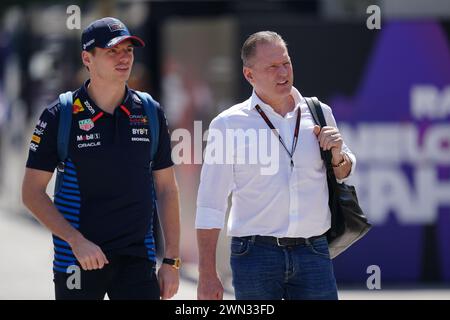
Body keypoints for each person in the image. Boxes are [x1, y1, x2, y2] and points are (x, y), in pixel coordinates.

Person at [22, 17, 181, 300]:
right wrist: (76, 241)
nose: (124, 58)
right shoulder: (60, 115)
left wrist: (171, 261)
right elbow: (32, 193)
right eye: (112, 52)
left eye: (128, 50)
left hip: (137, 258)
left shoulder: (149, 111)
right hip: (78, 258)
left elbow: (167, 188)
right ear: (87, 58)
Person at [195, 31, 356, 300]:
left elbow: (344, 171)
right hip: (255, 255)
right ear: (249, 75)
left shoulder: (319, 112)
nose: (283, 72)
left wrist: (338, 155)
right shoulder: (228, 124)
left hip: (313, 252)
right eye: (272, 67)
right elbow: (210, 204)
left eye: (286, 63)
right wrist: (207, 273)